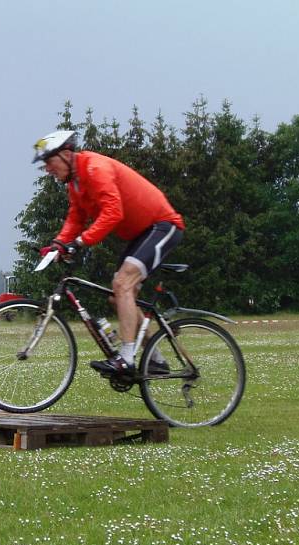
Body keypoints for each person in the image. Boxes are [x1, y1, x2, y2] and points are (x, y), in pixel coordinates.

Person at [32, 129, 185, 377]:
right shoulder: (76, 183)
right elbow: (76, 217)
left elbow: (113, 213)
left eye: (49, 162)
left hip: (162, 226)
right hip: (141, 233)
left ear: (67, 154)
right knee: (119, 296)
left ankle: (126, 357)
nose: (47, 169)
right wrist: (59, 243)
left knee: (122, 284)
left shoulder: (94, 168)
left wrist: (80, 242)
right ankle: (154, 358)